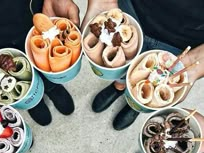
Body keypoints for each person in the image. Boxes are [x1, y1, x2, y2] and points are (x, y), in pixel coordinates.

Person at [82, 0, 204, 130]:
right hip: (133, 10)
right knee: (119, 63)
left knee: (152, 85)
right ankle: (119, 86)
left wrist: (198, 61)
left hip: (185, 41)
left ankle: (138, 102)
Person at [0, 0, 80, 126]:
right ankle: (32, 101)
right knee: (10, 77)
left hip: (26, 11)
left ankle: (52, 86)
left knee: (43, 57)